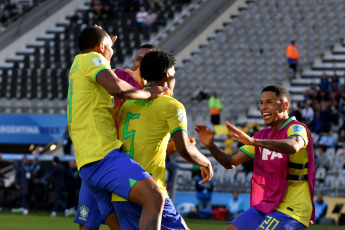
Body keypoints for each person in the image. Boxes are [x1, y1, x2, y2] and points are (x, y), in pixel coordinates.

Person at [68, 26, 168, 230]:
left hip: (90, 161)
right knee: (154, 197)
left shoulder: (80, 65)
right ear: (101, 47)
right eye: (139, 59)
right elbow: (116, 87)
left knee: (96, 225)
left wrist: (105, 45)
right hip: (104, 157)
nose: (111, 55)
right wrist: (148, 93)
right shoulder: (100, 65)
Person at [112, 49, 213, 229]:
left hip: (121, 192)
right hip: (150, 190)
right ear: (167, 75)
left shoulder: (127, 104)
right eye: (174, 74)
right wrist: (205, 162)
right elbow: (184, 148)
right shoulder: (171, 105)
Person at [195, 85, 315, 230]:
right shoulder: (262, 135)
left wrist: (254, 142)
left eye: (269, 102)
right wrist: (211, 146)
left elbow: (294, 145)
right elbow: (230, 162)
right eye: (261, 103)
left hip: (293, 208)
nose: (263, 107)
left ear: (284, 106)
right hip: (268, 204)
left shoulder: (296, 128)